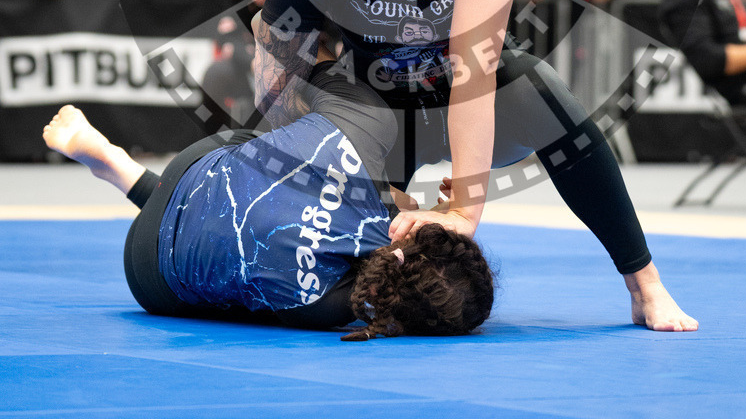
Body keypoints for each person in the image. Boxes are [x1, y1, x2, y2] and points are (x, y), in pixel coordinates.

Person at [256, 0, 698, 332]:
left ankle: (644, 283)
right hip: (380, 112)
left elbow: (474, 70)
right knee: (330, 113)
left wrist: (465, 208)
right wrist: (367, 186)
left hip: (472, 97)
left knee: (542, 90)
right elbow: (278, 90)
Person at [40, 58, 495, 341]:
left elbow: (285, 47)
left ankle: (125, 168)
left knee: (271, 168)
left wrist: (422, 207)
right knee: (247, 262)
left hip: (195, 167)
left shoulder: (372, 121)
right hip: (148, 272)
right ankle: (123, 173)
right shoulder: (330, 311)